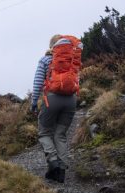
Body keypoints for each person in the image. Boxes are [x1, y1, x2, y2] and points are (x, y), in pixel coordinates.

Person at [30, 34, 83, 183]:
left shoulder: (45, 60)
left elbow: (38, 81)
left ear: (52, 46)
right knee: (60, 134)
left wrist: (34, 102)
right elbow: (76, 80)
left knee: (44, 133)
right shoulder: (72, 60)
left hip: (52, 99)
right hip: (71, 100)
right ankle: (60, 172)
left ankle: (52, 161)